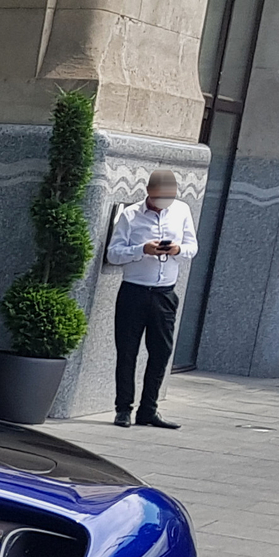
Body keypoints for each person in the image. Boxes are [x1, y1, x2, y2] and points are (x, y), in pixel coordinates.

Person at [106, 168, 200, 429]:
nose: (163, 205)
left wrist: (177, 249)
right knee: (127, 352)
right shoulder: (130, 215)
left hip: (164, 294)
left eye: (168, 199)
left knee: (160, 353)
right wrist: (141, 250)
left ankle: (149, 410)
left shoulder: (181, 211)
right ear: (148, 192)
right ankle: (123, 408)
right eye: (159, 199)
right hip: (134, 291)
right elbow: (113, 254)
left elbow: (192, 247)